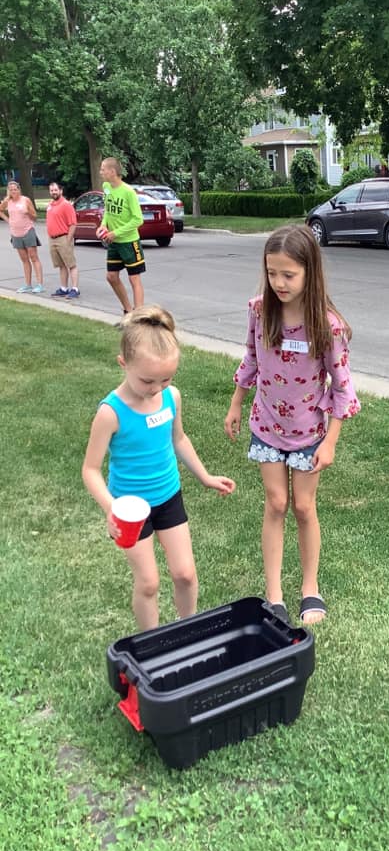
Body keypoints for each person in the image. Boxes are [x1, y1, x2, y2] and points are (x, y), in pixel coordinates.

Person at [224, 225, 360, 625]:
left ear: (309, 273)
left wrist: (331, 441)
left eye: (289, 274)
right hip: (266, 424)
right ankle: (274, 595)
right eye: (272, 273)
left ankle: (310, 588)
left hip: (309, 433)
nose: (279, 283)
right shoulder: (258, 311)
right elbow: (250, 359)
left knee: (303, 506)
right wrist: (236, 404)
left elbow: (343, 388)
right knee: (276, 503)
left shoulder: (327, 326)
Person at [82, 305, 236, 630]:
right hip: (130, 510)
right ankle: (150, 644)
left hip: (169, 497)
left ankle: (187, 630)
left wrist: (205, 476)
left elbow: (179, 440)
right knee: (149, 582)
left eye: (166, 379)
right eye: (148, 380)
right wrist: (112, 509)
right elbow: (91, 470)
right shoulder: (110, 413)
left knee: (185, 573)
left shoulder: (171, 398)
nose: (156, 388)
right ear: (123, 364)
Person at [98, 157, 145, 315]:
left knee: (134, 279)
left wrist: (116, 232)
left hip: (129, 242)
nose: (101, 172)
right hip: (113, 242)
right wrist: (103, 225)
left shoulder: (128, 192)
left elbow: (138, 219)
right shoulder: (106, 187)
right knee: (111, 276)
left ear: (112, 172)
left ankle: (138, 317)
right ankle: (128, 311)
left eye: (103, 169)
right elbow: (107, 210)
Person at [0, 180, 44, 293]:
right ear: (8, 191)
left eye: (15, 189)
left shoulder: (25, 200)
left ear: (19, 189)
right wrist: (7, 220)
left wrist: (27, 213)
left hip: (28, 231)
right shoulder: (7, 201)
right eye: (11, 190)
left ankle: (39, 285)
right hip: (15, 233)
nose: (13, 191)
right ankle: (28, 285)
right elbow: (0, 210)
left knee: (34, 258)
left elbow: (35, 217)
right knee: (24, 260)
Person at [46, 181, 80, 299]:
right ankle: (64, 288)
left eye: (55, 190)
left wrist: (68, 239)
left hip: (63, 238)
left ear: (61, 191)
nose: (53, 192)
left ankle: (75, 289)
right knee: (61, 265)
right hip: (52, 239)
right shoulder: (50, 205)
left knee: (71, 264)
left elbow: (73, 224)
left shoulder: (66, 205)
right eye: (51, 190)